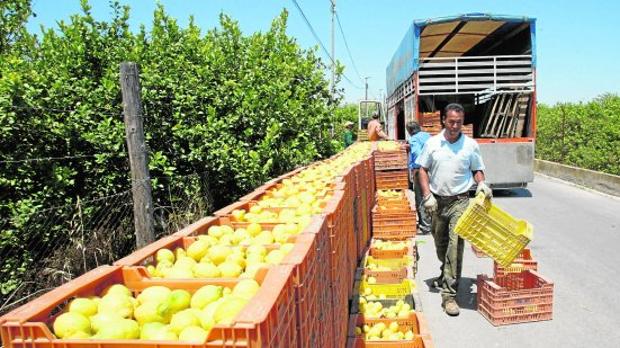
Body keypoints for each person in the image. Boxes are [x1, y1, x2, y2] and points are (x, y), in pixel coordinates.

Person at [415, 103, 493, 316]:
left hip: (460, 202)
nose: (455, 126)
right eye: (451, 122)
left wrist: (482, 183)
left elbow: (477, 169)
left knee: (454, 247)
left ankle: (449, 296)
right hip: (437, 203)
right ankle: (446, 271)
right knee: (440, 246)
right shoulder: (433, 144)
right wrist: (427, 196)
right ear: (443, 121)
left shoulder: (470, 145)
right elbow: (422, 169)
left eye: (459, 122)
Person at [406, 120, 431, 235]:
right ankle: (434, 224)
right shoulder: (427, 135)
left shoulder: (414, 139)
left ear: (410, 131)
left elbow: (416, 153)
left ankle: (426, 226)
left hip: (421, 170)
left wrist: (417, 169)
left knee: (421, 198)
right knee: (432, 195)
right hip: (433, 169)